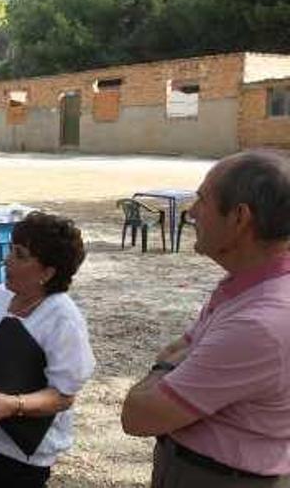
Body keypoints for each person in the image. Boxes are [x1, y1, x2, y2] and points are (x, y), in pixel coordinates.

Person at [122, 150, 290, 487]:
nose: (193, 211)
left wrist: (164, 368)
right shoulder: (246, 287)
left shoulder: (260, 323)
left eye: (202, 199)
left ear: (240, 218)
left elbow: (138, 416)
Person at [0, 212, 94, 488]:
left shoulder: (63, 319)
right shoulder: (4, 294)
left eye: (20, 254)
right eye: (11, 249)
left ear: (47, 272)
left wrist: (15, 405)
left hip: (18, 456)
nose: (7, 259)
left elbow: (63, 396)